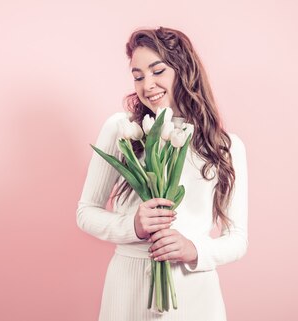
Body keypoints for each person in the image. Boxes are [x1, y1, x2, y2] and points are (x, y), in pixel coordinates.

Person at [76, 26, 248, 321]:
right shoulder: (123, 131)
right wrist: (133, 226)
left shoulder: (225, 147)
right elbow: (85, 212)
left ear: (184, 70)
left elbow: (237, 239)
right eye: (138, 76)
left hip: (195, 294)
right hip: (128, 290)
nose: (147, 85)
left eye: (158, 71)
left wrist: (194, 249)